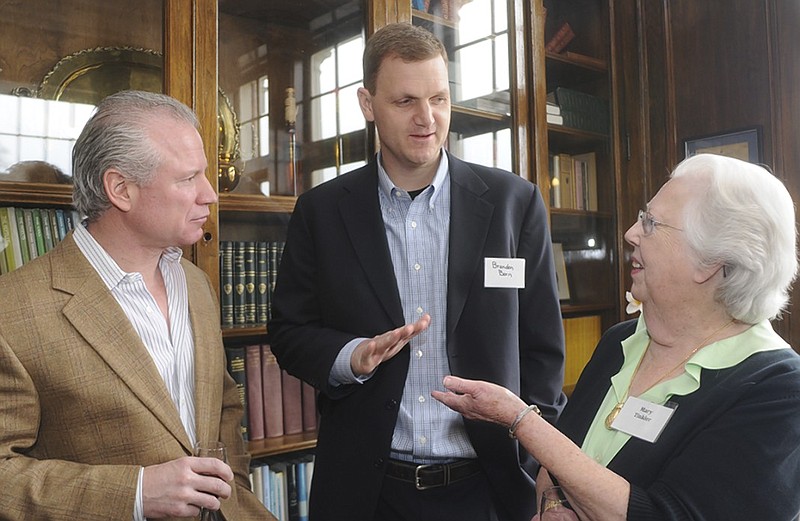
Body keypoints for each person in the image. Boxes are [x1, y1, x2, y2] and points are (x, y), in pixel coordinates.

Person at [268, 22, 566, 521]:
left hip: (490, 489)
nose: (427, 118)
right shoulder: (320, 212)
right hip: (366, 492)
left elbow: (542, 353)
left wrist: (545, 470)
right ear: (368, 105)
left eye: (439, 98)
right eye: (405, 101)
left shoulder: (516, 203)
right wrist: (351, 356)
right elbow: (289, 332)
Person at [433, 153, 800, 520]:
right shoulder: (621, 342)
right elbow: (559, 459)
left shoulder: (778, 388)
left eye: (652, 224)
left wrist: (520, 420)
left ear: (711, 264)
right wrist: (554, 506)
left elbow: (665, 514)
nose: (630, 233)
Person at [0, 90, 274, 521]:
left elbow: (224, 409)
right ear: (121, 189)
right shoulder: (11, 312)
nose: (210, 195)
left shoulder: (195, 283)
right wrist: (136, 494)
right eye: (187, 179)